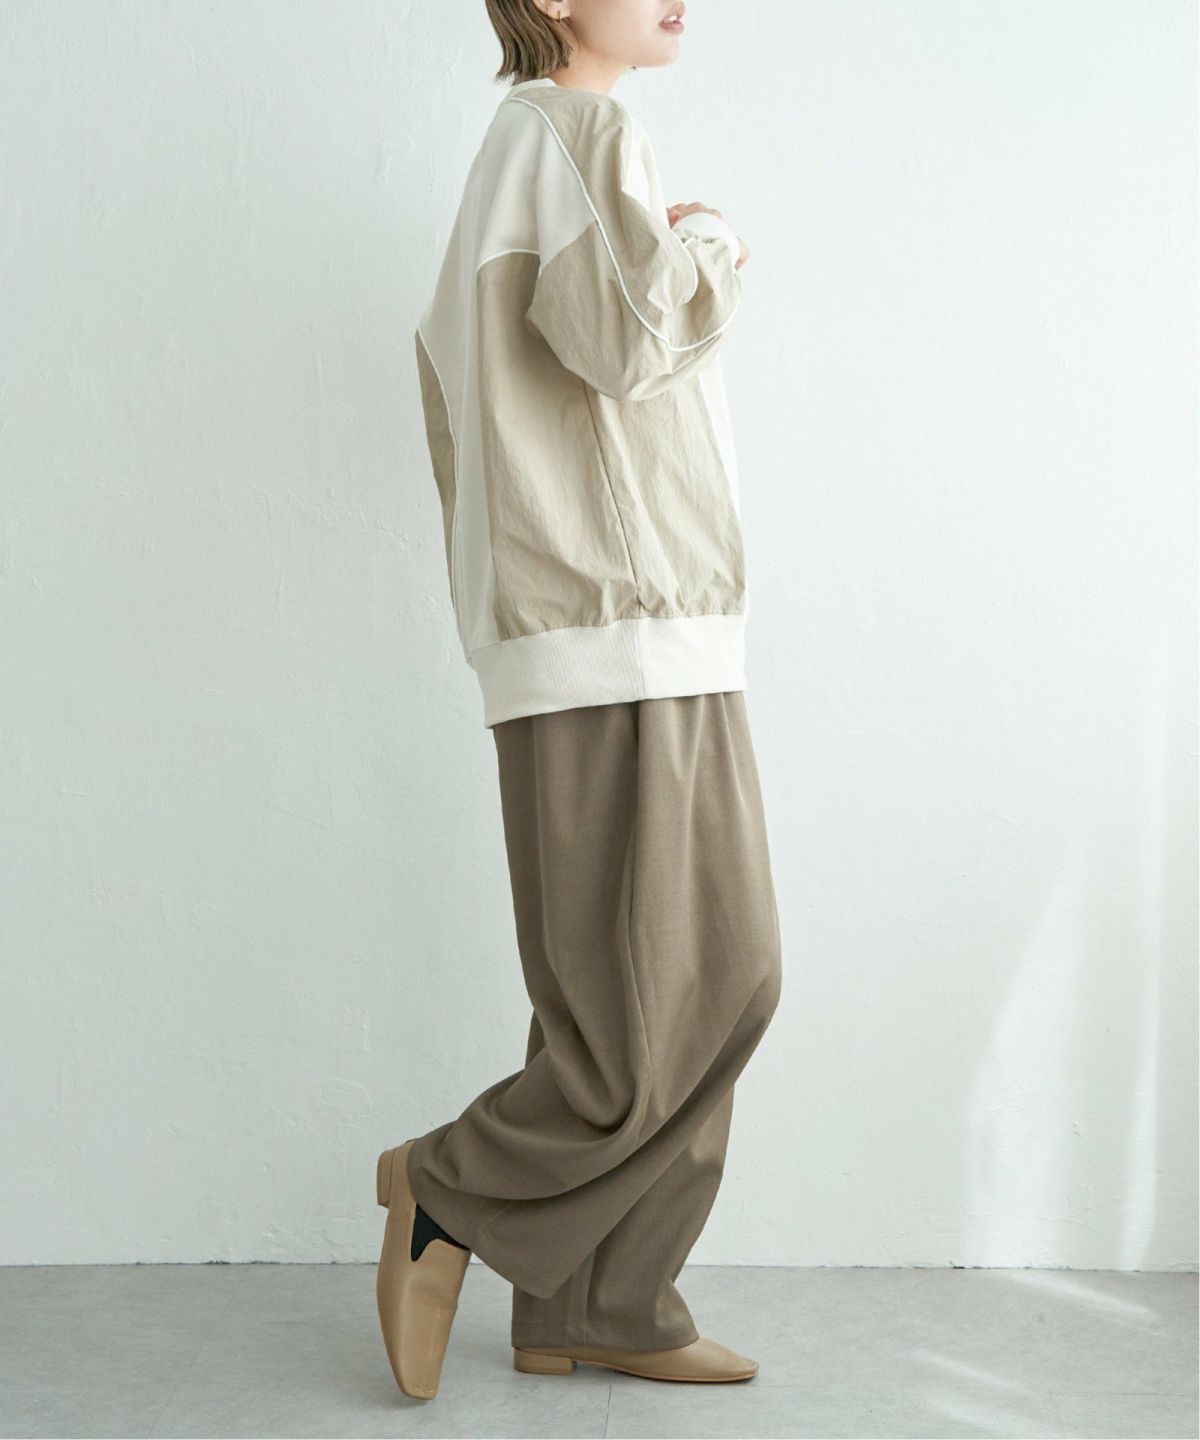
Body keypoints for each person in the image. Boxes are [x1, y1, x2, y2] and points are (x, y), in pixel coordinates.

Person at [377, 0, 783, 1399]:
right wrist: (710, 243)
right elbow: (630, 337)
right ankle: (448, 1184)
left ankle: (593, 1303)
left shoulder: (527, 149)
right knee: (691, 992)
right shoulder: (575, 132)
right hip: (620, 627)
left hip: (602, 628)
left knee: (638, 1000)